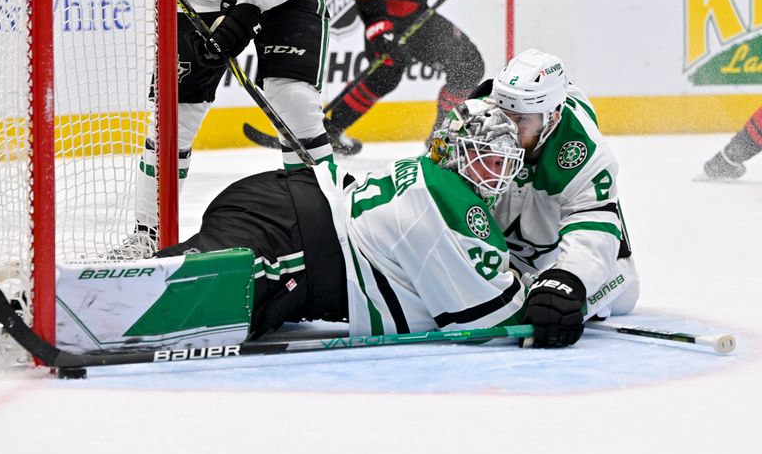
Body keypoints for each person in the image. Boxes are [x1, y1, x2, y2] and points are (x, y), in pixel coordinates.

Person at [156, 100, 528, 341]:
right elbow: (489, 321)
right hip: (292, 244)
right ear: (454, 152)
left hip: (283, 208)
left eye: (505, 162)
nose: (498, 174)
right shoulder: (452, 203)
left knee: (205, 303)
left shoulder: (428, 172)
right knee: (176, 295)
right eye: (488, 158)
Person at [120, 0, 333, 258]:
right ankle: (147, 235)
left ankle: (327, 231)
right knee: (174, 117)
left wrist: (246, 11)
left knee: (292, 99)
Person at [464, 48, 640, 348]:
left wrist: (568, 280)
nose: (508, 130)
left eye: (521, 121)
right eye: (504, 116)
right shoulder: (476, 124)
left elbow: (592, 225)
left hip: (551, 243)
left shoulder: (585, 153)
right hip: (503, 243)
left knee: (623, 293)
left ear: (553, 117)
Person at [324, 0, 489, 155]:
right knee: (467, 65)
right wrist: (378, 26)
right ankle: (441, 138)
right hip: (398, 13)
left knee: (385, 75)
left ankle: (333, 127)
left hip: (403, 9)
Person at [701, 106, 762, 179]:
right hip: (755, 132)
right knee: (736, 152)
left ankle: (716, 167)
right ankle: (715, 168)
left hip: (754, 129)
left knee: (737, 150)